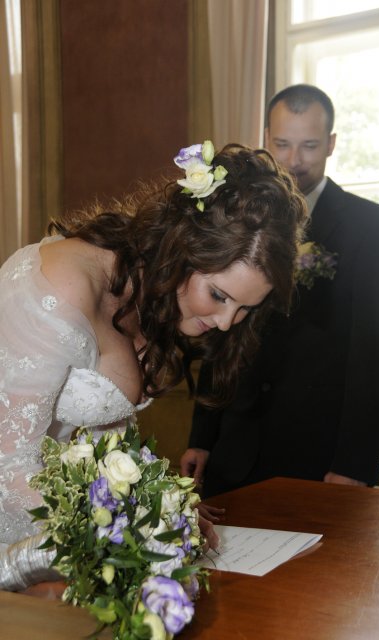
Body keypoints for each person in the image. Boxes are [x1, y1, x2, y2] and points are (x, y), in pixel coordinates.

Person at [0, 140, 306, 592]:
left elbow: (105, 448)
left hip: (65, 522)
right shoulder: (65, 286)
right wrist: (140, 525)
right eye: (219, 296)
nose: (226, 322)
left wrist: (164, 505)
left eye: (245, 308)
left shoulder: (154, 296)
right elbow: (8, 465)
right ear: (183, 246)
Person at [181, 85, 379, 497]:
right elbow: (221, 330)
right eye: (282, 144)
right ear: (267, 139)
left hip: (319, 456)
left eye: (309, 146)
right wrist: (203, 436)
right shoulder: (240, 216)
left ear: (331, 144)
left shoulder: (371, 227)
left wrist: (354, 465)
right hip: (234, 449)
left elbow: (377, 353)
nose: (294, 160)